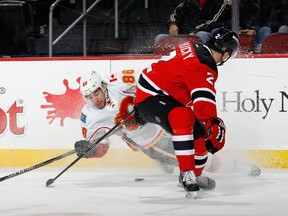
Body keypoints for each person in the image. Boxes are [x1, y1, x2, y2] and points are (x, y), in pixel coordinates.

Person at [135, 27, 239, 197]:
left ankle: (196, 176)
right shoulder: (205, 64)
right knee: (183, 117)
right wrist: (213, 122)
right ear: (226, 53)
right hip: (152, 98)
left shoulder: (193, 46)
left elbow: (167, 72)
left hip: (154, 95)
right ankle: (187, 173)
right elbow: (203, 101)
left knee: (201, 138)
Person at [74, 69, 217, 190]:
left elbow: (147, 82)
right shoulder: (89, 116)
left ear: (103, 86)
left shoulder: (119, 81)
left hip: (156, 116)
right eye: (89, 97)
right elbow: (102, 147)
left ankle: (168, 162)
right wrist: (91, 151)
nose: (95, 100)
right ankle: (218, 168)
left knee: (194, 139)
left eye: (96, 94)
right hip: (147, 140)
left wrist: (142, 107)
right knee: (188, 157)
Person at [154, 0, 232, 45]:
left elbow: (213, 21)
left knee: (201, 35)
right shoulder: (189, 2)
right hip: (185, 36)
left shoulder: (221, 2)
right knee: (160, 38)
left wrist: (195, 32)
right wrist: (172, 24)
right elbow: (175, 14)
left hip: (208, 34)